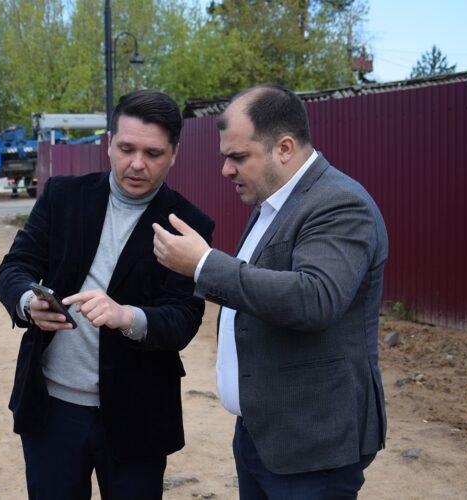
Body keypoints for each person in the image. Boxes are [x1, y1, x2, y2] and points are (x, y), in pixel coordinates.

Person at [152, 84, 388, 499]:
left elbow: (315, 298)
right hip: (264, 435)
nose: (226, 170)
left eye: (238, 157)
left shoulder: (339, 203)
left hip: (312, 449)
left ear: (284, 148)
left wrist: (204, 264)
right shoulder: (273, 203)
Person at [0, 89, 215, 500]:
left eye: (153, 153)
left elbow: (184, 318)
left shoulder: (188, 225)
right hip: (51, 411)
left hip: (139, 415)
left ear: (174, 154)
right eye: (126, 148)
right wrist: (28, 303)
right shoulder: (62, 196)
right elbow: (14, 268)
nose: (137, 163)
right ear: (109, 143)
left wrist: (128, 316)